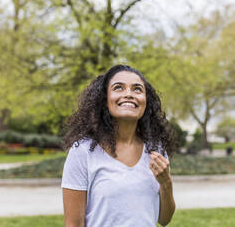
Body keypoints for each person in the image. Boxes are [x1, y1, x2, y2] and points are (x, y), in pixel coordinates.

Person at [61, 64, 176, 226]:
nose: (129, 94)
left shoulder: (155, 149)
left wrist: (166, 183)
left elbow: (164, 219)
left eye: (137, 89)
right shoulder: (83, 152)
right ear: (104, 99)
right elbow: (73, 224)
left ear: (146, 101)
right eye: (118, 88)